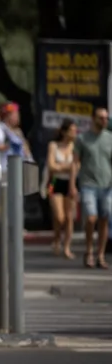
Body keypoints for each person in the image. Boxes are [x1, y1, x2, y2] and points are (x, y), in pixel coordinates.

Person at [70, 107, 112, 269]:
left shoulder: (110, 138)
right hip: (88, 184)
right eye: (101, 118)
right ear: (93, 118)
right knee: (91, 218)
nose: (104, 121)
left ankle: (100, 254)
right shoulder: (82, 139)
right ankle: (88, 251)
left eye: (106, 118)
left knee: (104, 218)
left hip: (107, 185)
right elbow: (75, 163)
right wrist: (73, 185)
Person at [48, 119, 77, 259]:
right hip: (55, 182)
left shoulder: (76, 146)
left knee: (69, 217)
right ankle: (57, 237)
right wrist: (68, 167)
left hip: (70, 183)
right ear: (64, 132)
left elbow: (78, 167)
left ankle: (67, 247)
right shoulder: (53, 145)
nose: (74, 133)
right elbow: (51, 166)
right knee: (59, 216)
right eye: (71, 130)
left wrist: (61, 166)